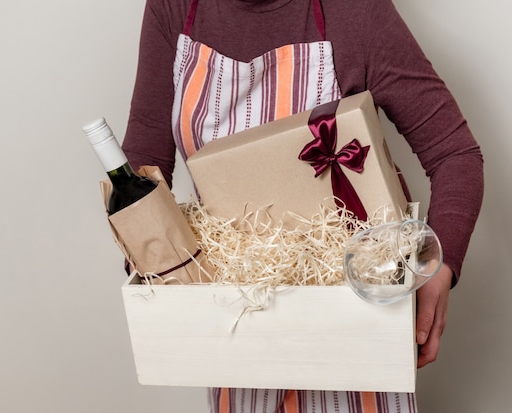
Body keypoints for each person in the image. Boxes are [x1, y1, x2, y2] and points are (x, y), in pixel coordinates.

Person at [120, 0, 484, 411]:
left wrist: (441, 266)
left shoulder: (356, 12)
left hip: (355, 320)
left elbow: (454, 153)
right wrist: (153, 258)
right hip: (238, 320)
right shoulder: (173, 7)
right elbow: (145, 160)